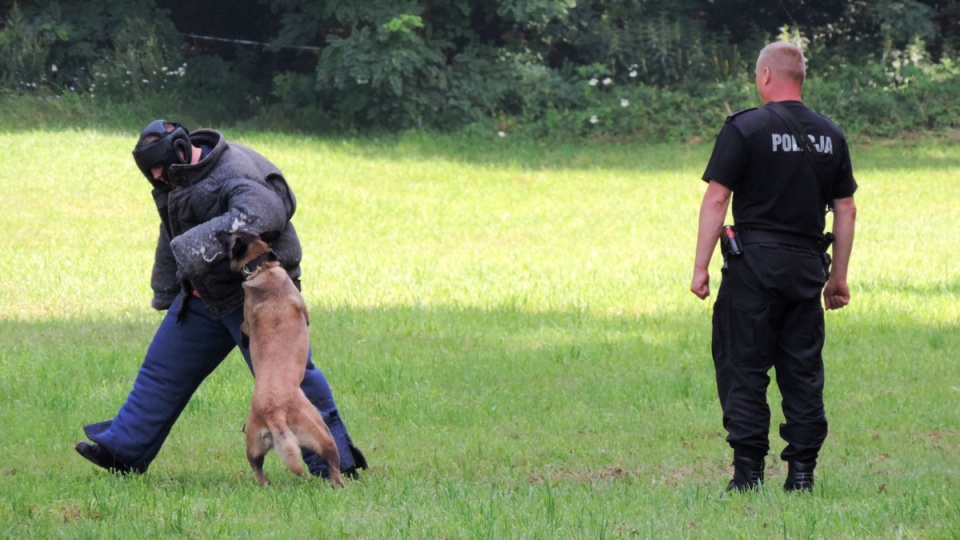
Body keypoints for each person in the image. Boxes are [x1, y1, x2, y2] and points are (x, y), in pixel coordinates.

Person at [76, 120, 367, 479]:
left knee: (291, 381)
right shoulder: (174, 177)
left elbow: (264, 214)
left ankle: (337, 465)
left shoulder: (233, 170)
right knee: (162, 372)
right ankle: (122, 452)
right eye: (148, 170)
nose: (155, 175)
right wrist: (166, 291)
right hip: (203, 295)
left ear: (180, 151)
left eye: (157, 166)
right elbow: (172, 232)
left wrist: (190, 247)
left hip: (264, 295)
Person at [690, 42, 857, 492]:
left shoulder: (745, 128)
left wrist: (700, 266)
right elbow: (845, 209)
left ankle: (748, 476)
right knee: (802, 372)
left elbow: (716, 198)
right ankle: (801, 475)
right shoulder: (831, 134)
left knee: (743, 368)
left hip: (752, 270)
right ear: (801, 78)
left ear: (765, 76)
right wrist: (837, 277)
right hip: (806, 271)